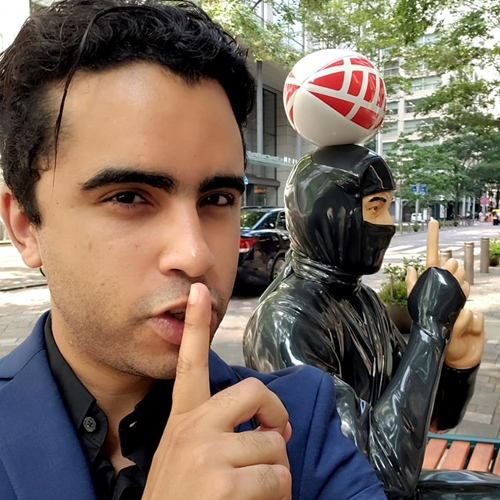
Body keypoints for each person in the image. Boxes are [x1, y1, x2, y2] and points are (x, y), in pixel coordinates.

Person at [0, 1, 387, 499]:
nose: (196, 255)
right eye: (129, 197)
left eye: (217, 199)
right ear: (25, 226)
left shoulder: (298, 424)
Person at [243, 145, 492, 499]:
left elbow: (429, 419)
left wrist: (454, 365)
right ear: (330, 216)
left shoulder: (363, 300)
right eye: (375, 207)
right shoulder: (287, 320)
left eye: (388, 206)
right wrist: (429, 328)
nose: (388, 223)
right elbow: (377, 477)